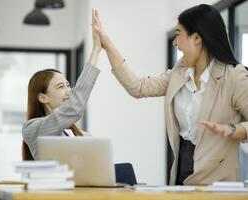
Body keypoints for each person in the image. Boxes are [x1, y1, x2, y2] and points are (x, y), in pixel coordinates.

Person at [92, 5, 248, 185]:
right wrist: (107, 44)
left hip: (218, 180)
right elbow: (138, 87)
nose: (175, 42)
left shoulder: (234, 76)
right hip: (181, 172)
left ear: (197, 38)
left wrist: (232, 130)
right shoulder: (180, 72)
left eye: (178, 33)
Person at [22, 10, 102, 160]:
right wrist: (96, 50)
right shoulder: (32, 129)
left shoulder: (70, 132)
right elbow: (74, 108)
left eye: (68, 85)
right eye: (61, 87)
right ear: (42, 97)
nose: (69, 91)